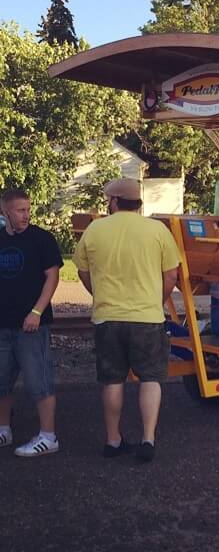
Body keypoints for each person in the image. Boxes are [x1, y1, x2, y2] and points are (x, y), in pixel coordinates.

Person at [73, 178, 180, 463]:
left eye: (109, 199)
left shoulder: (95, 229)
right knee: (151, 378)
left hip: (108, 318)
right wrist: (155, 301)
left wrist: (99, 294)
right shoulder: (157, 230)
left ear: (115, 201)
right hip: (147, 317)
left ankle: (113, 440)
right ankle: (148, 438)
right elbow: (172, 275)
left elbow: (82, 269)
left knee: (112, 379)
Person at [0, 188, 63, 457]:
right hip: (3, 324)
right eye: (20, 210)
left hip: (31, 326)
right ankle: (3, 430)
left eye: (28, 209)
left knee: (39, 381)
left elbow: (52, 276)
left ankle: (48, 436)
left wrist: (36, 312)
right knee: (1, 380)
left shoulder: (42, 240)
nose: (26, 215)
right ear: (5, 212)